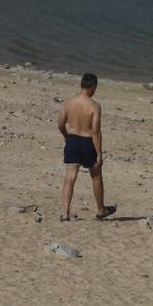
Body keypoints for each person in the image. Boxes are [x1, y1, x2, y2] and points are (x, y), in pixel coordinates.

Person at [57, 72, 115, 221]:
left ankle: (65, 212)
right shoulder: (94, 106)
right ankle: (101, 209)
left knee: (70, 177)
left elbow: (60, 124)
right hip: (88, 142)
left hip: (73, 140)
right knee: (96, 176)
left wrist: (66, 137)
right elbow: (95, 131)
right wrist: (99, 153)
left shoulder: (69, 103)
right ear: (93, 86)